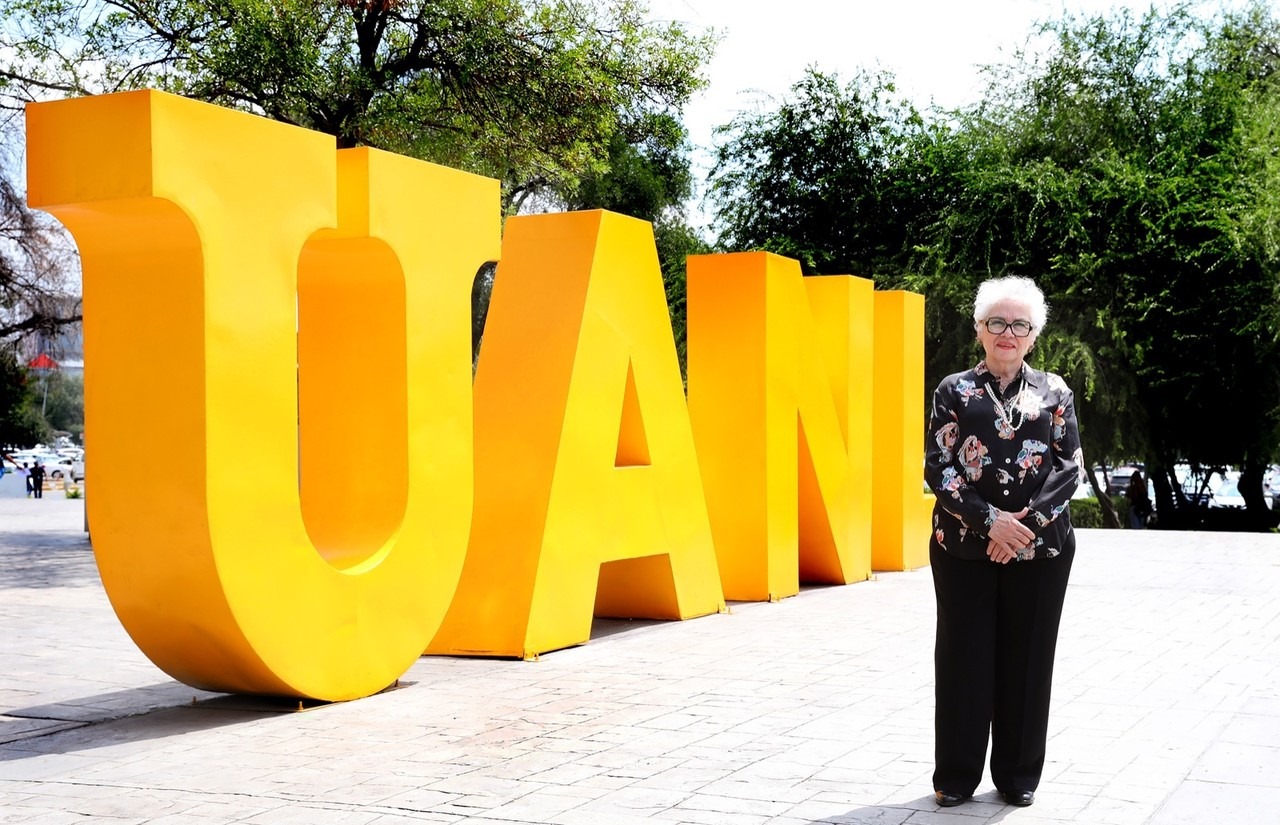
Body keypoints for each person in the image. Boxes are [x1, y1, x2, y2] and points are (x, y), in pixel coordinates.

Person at [924, 275, 1083, 810]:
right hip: (963, 547)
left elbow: (1069, 467)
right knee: (964, 656)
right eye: (997, 322)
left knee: (1028, 657)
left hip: (1041, 550)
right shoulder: (953, 390)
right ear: (979, 330)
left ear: (1033, 335)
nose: (1007, 333)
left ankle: (1018, 776)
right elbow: (938, 469)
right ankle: (955, 776)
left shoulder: (1055, 391)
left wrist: (1024, 527)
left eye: (1019, 324)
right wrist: (992, 522)